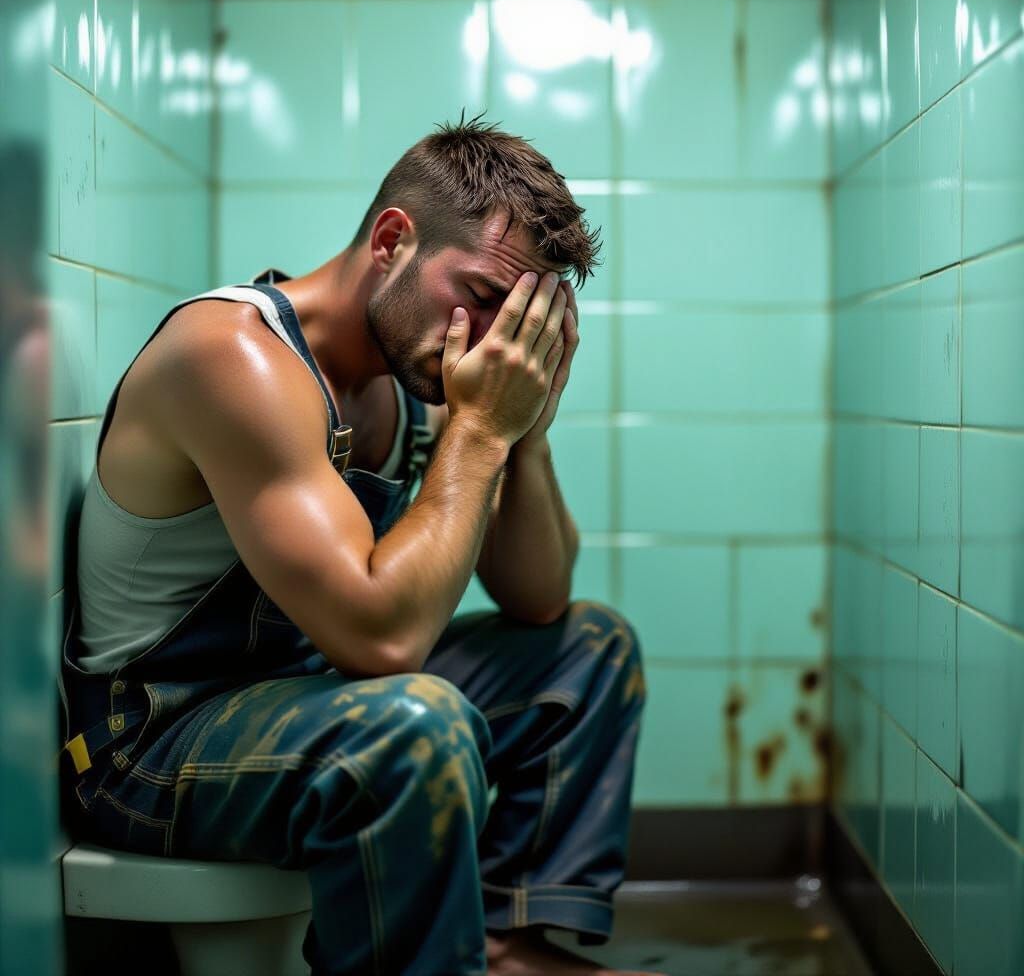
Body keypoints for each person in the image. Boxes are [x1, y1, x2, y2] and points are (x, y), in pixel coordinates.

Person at [60, 117, 654, 976]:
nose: (493, 337)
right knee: (413, 729)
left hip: (309, 693)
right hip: (153, 739)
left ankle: (505, 948)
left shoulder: (416, 374)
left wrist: (526, 430)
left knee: (589, 649)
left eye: (520, 316)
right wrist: (482, 431)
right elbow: (381, 640)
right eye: (485, 297)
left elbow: (539, 600)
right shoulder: (237, 358)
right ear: (392, 240)